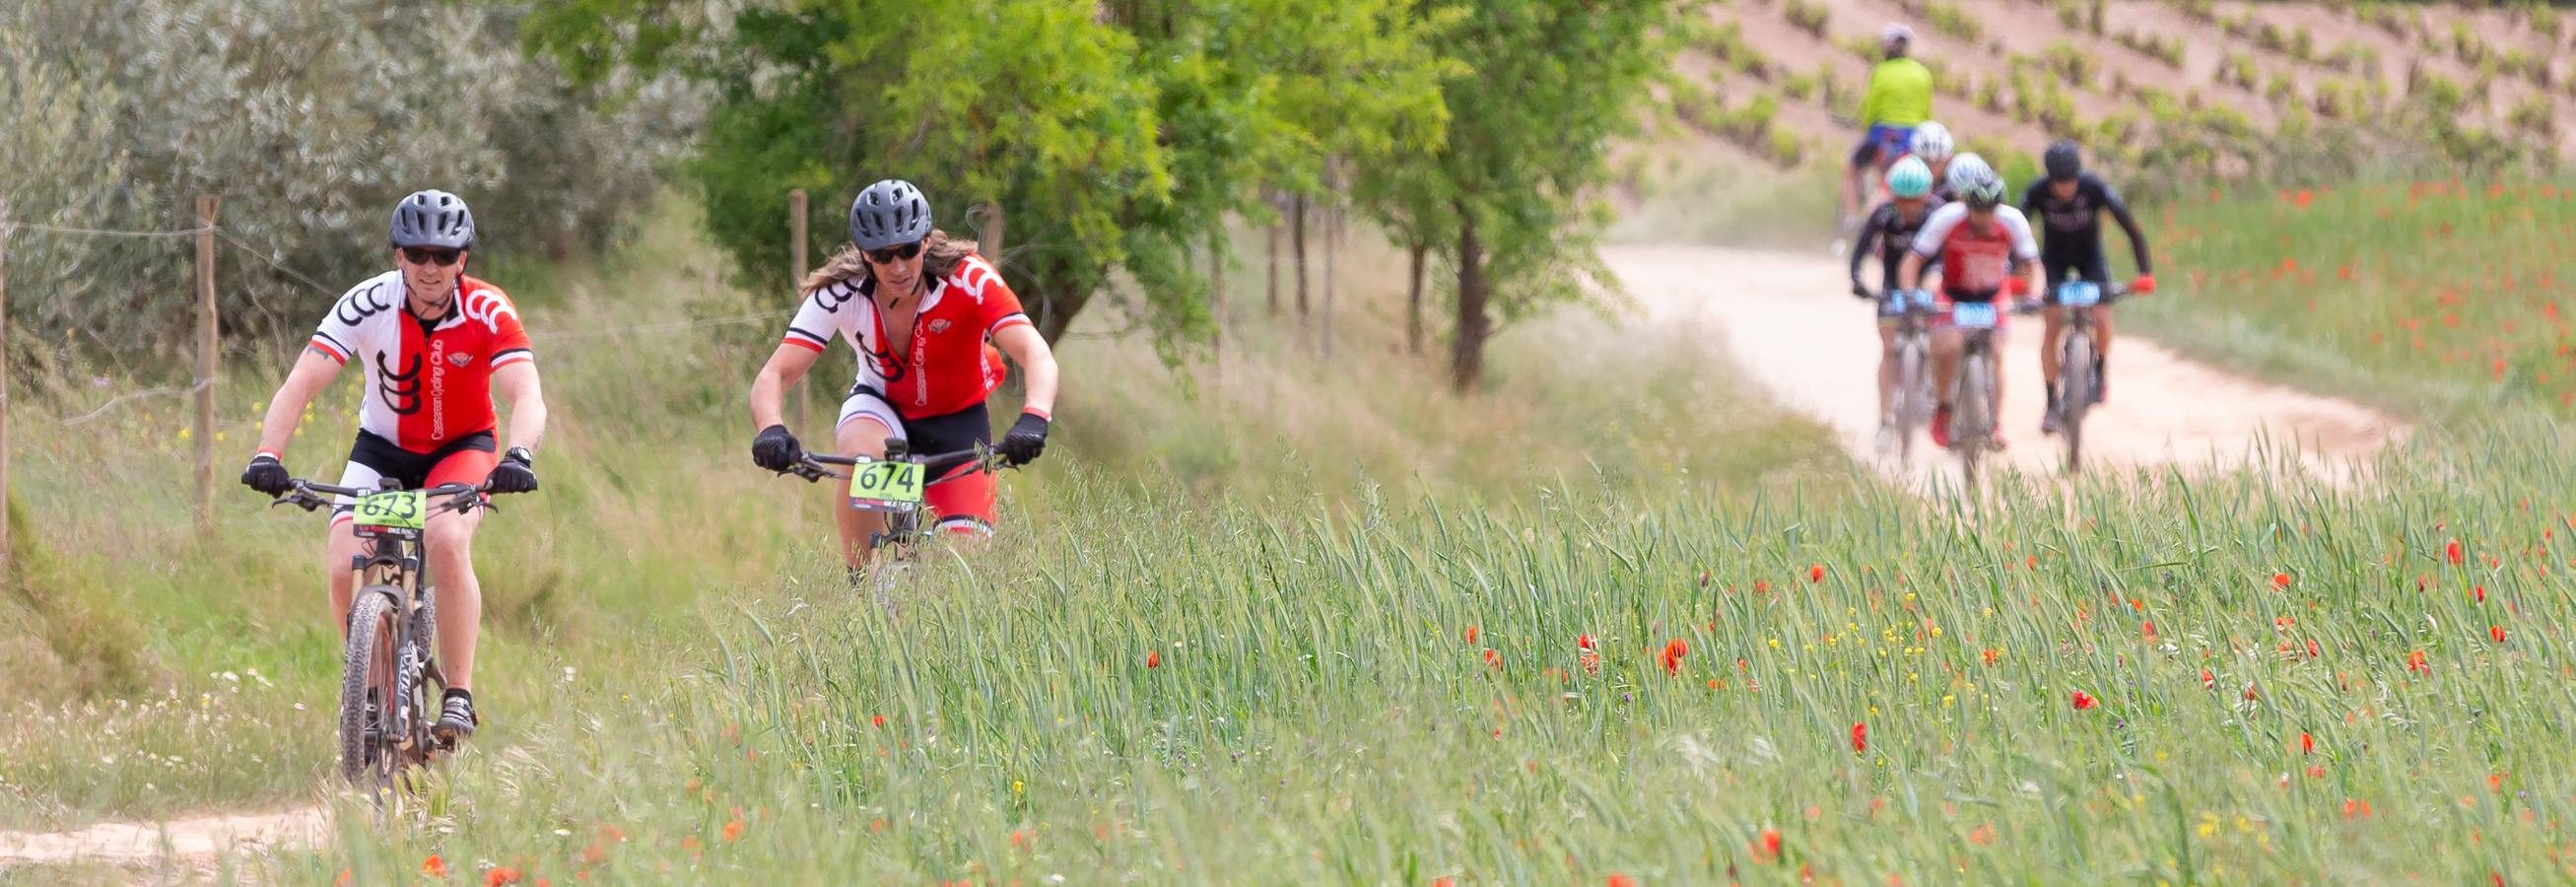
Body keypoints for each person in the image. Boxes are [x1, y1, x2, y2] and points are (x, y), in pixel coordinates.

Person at [238, 189, 546, 742]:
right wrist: (268, 453)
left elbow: (526, 392)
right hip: (382, 448)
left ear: (463, 261)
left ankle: (458, 694)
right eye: (417, 253)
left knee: (446, 538)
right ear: (397, 255)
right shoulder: (366, 302)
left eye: (444, 256)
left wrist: (518, 454)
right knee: (341, 565)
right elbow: (302, 382)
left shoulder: (487, 308)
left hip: (464, 445)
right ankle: (369, 690)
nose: (430, 267)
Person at [746, 179, 1060, 569]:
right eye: (882, 255)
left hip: (958, 423)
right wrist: (771, 429)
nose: (897, 267)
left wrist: (1034, 417)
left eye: (908, 250)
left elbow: (1035, 352)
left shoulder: (968, 278)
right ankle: (864, 588)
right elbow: (775, 374)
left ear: (926, 242)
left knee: (961, 572)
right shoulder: (841, 292)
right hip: (881, 410)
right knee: (865, 458)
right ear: (864, 254)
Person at [1896, 156, 2040, 449]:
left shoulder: (2012, 221)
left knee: (1998, 354)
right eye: (1976, 211)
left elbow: (2034, 266)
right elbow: (1913, 260)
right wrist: (1910, 293)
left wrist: (2035, 295)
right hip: (1954, 292)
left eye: (1989, 211)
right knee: (1946, 346)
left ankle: (1996, 424)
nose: (1983, 218)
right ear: (1966, 205)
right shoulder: (1947, 218)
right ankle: (1944, 408)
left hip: (1992, 293)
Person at [2022, 139, 2156, 434]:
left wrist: (2145, 272)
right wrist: (2014, 272)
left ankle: (2100, 372)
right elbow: (2016, 231)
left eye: (2070, 182)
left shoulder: (2095, 189)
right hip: (2054, 262)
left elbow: (2131, 228)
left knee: (2104, 319)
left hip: (2090, 260)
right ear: (2050, 178)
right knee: (2053, 326)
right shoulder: (2036, 192)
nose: (2065, 189)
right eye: (2059, 183)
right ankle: (2050, 403)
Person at [1850, 156, 1947, 454]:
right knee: (1890, 350)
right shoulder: (1883, 214)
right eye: (1902, 200)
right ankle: (1884, 421)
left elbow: (1948, 253)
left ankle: (1931, 387)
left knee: (1937, 340)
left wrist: (1938, 282)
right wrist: (1858, 281)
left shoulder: (1938, 213)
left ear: (1926, 195)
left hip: (1929, 278)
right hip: (1892, 285)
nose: (1908, 207)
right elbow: (1860, 252)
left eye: (1914, 200)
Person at [1843, 25, 1934, 234]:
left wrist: (1866, 128)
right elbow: (1927, 112)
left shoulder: (1880, 71)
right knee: (1892, 182)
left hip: (1881, 134)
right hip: (1913, 137)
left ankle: (1852, 217)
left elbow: (1871, 107)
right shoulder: (1922, 73)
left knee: (1852, 170)